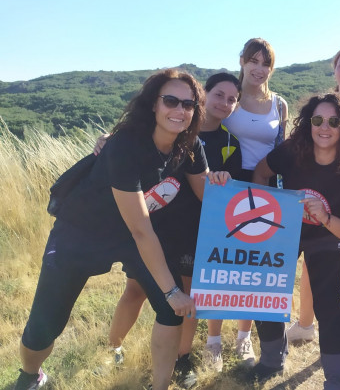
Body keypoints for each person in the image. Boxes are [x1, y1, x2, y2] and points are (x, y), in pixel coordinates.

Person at [13, 69, 230, 390]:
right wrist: (173, 290)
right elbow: (142, 230)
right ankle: (31, 374)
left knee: (172, 311)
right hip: (83, 231)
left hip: (136, 236)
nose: (180, 110)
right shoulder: (125, 145)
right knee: (45, 324)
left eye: (189, 105)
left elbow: (206, 195)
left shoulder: (190, 145)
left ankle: (159, 386)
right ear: (153, 105)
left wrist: (220, 182)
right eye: (171, 100)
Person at [103, 73, 242, 386]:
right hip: (152, 225)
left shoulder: (227, 141)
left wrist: (219, 182)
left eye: (233, 99)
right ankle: (111, 349)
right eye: (219, 95)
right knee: (136, 289)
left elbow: (212, 192)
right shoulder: (148, 134)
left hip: (192, 227)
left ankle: (181, 358)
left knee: (187, 295)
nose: (225, 103)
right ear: (206, 95)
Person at [254, 93, 340, 389]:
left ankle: (338, 379)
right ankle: (270, 360)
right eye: (317, 120)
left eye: (334, 121)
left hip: (328, 235)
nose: (325, 127)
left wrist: (327, 219)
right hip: (284, 230)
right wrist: (265, 209)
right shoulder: (293, 150)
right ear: (308, 123)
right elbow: (261, 172)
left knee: (328, 304)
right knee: (265, 290)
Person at [208, 37, 289, 372]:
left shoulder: (280, 104)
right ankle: (213, 343)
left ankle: (243, 339)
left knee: (253, 268)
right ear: (241, 61)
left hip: (266, 187)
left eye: (265, 62)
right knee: (221, 265)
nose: (259, 68)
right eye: (253, 61)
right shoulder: (229, 97)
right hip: (225, 184)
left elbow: (283, 150)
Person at [287, 47, 340, 345]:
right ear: (334, 70)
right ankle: (305, 324)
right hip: (325, 194)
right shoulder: (324, 106)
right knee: (316, 262)